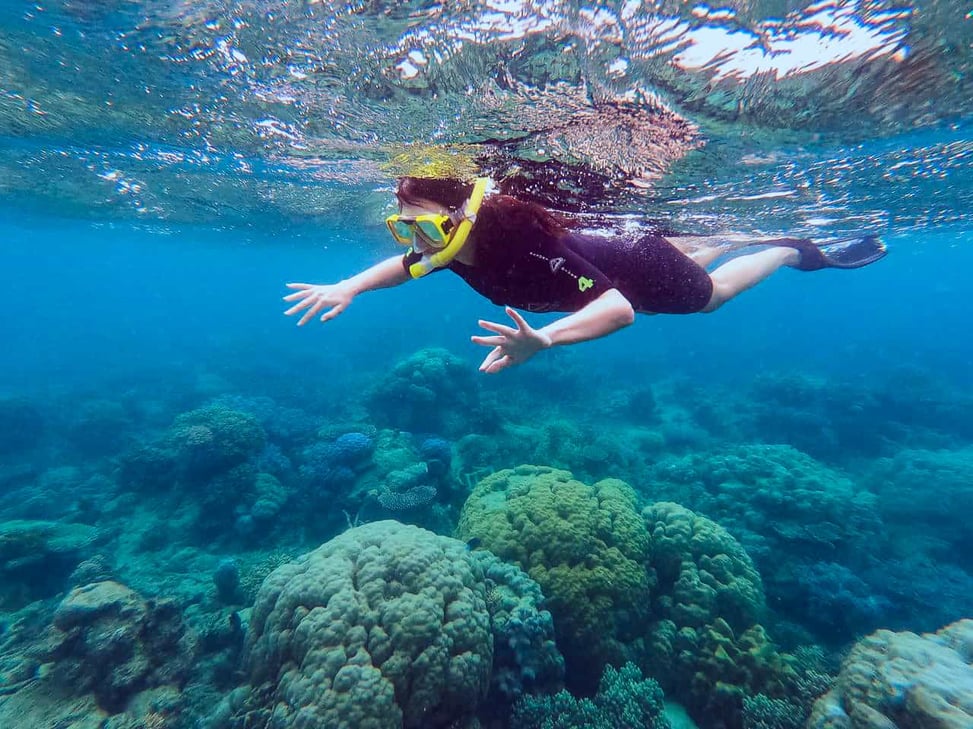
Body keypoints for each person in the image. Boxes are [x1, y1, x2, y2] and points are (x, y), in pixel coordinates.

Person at [284, 176, 886, 374]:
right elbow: (406, 266)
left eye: (426, 230)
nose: (417, 246)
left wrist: (543, 340)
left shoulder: (520, 248)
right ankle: (714, 238)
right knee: (661, 289)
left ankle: (784, 247)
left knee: (709, 299)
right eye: (404, 228)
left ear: (463, 216)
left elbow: (620, 309)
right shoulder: (446, 248)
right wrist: (350, 285)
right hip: (617, 254)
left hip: (634, 264)